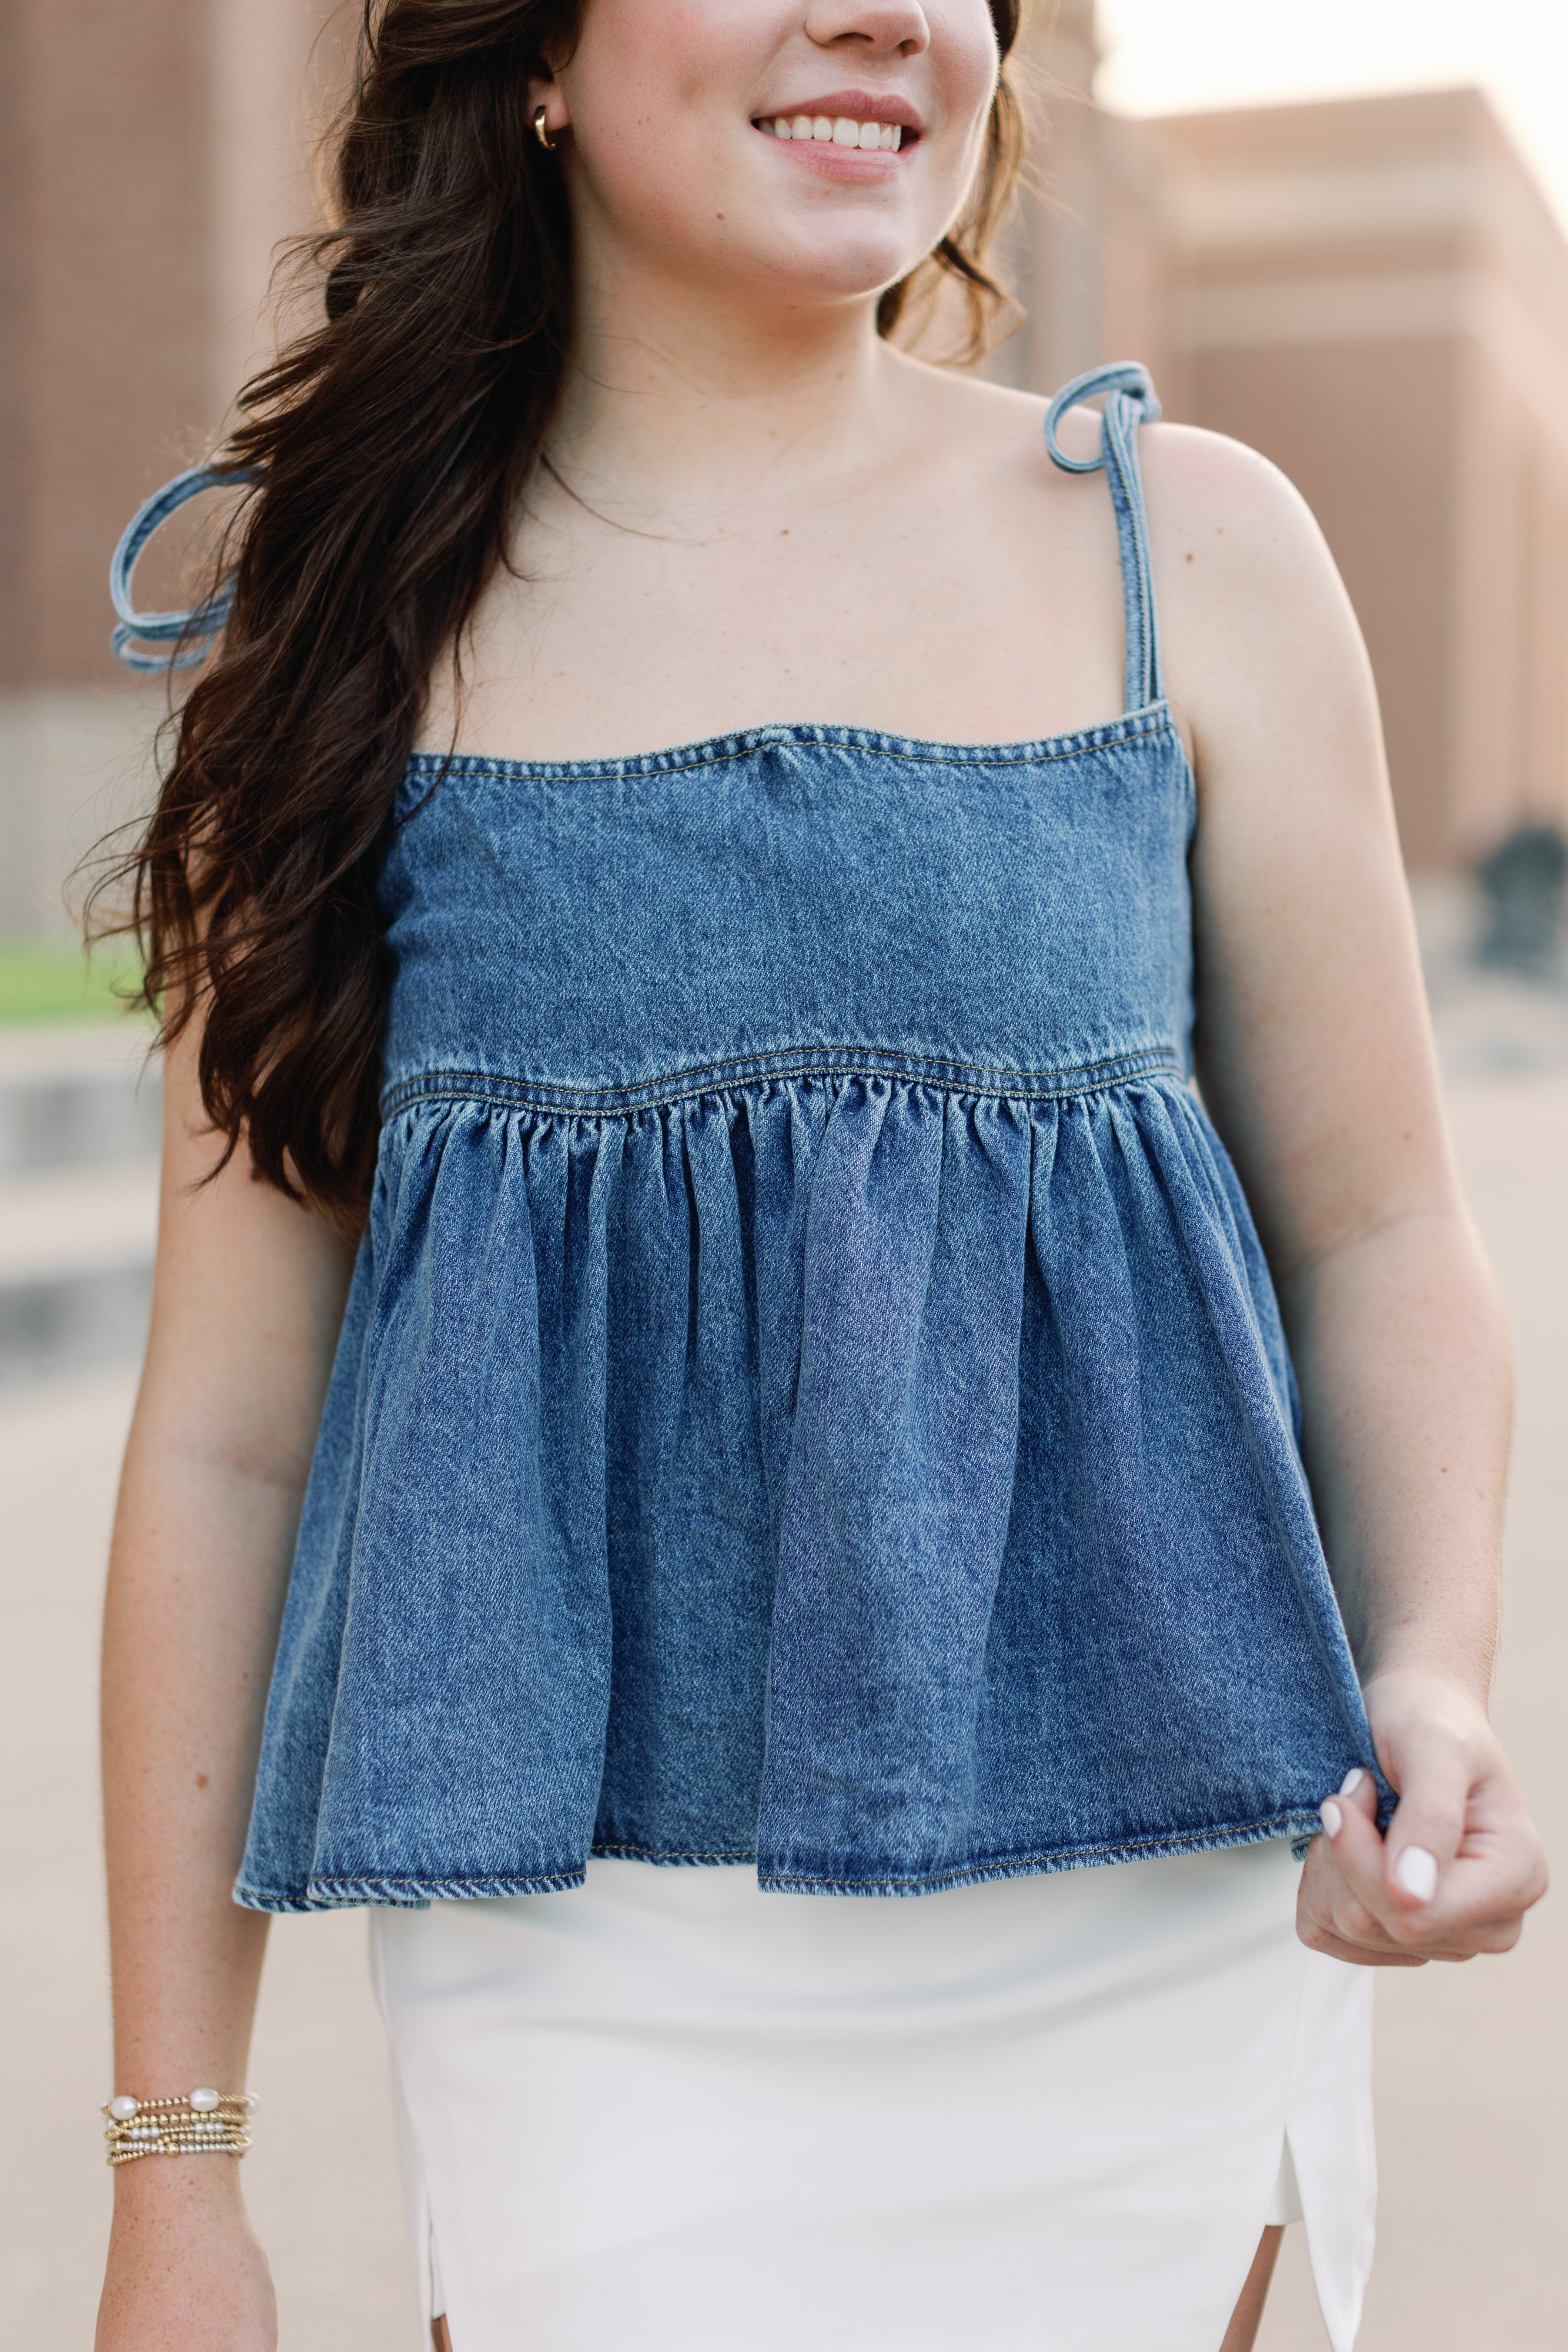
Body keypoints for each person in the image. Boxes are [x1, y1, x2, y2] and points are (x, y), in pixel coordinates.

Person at [92, 4, 1547, 2349]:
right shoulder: (342, 638)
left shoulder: (1182, 544)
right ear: (535, 56)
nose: (891, 12)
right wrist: (180, 2168)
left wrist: (1435, 1678)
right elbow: (228, 1436)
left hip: (1158, 1909)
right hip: (584, 1948)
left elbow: (1377, 1227)